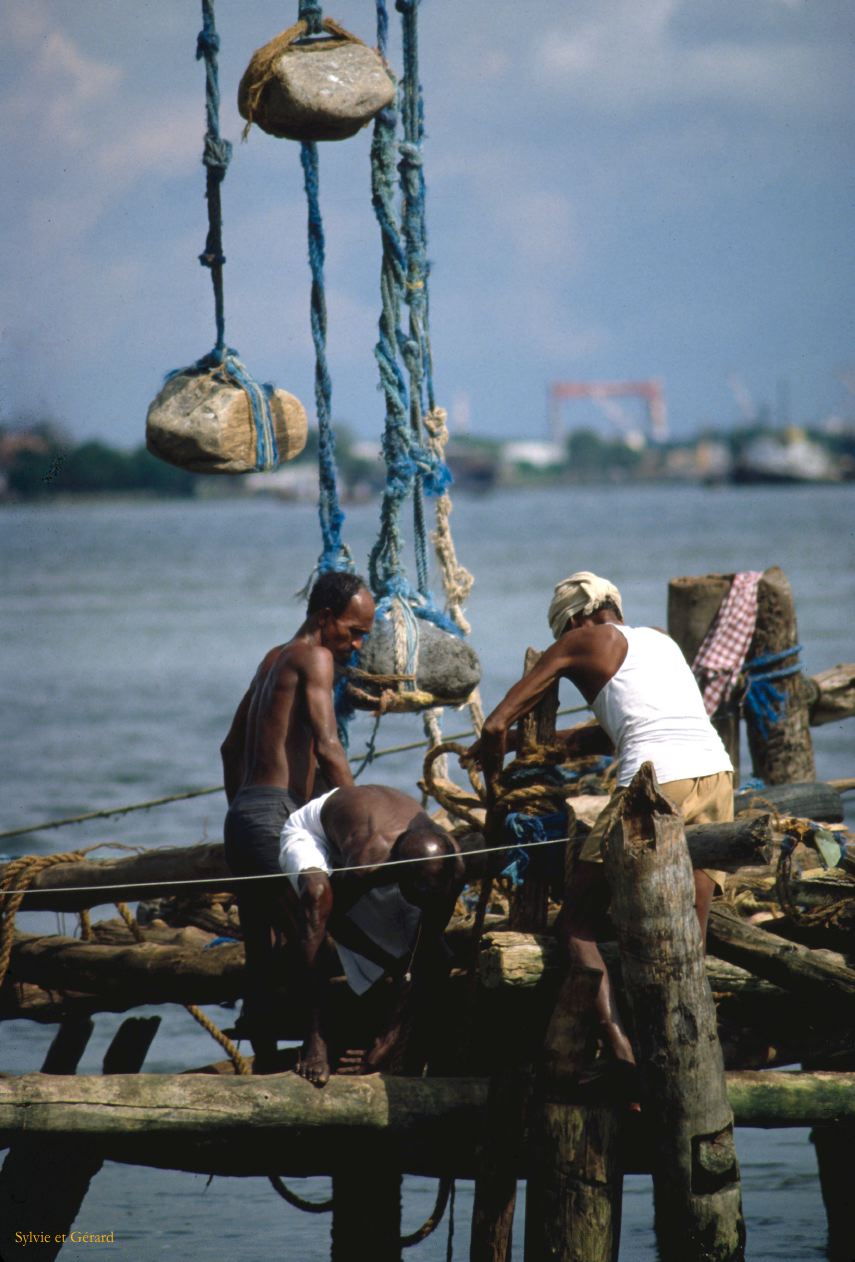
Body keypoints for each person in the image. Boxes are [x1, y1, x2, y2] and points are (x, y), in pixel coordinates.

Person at [469, 570, 733, 1085]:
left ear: (575, 619)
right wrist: (544, 744)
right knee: (689, 928)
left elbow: (495, 725)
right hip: (717, 776)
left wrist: (493, 768)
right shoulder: (660, 641)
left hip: (653, 786)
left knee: (576, 923)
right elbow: (626, 726)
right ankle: (688, 1052)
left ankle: (616, 1042)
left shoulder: (578, 639)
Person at [220, 571, 376, 1071]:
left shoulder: (273, 658)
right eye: (352, 631)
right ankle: (318, 1044)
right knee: (315, 927)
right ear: (324, 619)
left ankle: (265, 1060)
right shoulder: (315, 656)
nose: (356, 644)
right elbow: (329, 747)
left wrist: (245, 811)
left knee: (262, 950)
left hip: (245, 815)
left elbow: (229, 748)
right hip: (271, 815)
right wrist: (361, 817)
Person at [278, 783, 469, 1087]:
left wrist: (388, 1037)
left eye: (433, 891)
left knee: (437, 957)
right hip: (315, 830)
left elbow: (428, 941)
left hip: (374, 824)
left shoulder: (454, 866)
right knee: (316, 897)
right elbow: (335, 923)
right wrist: (391, 963)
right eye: (418, 891)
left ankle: (400, 1048)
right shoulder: (368, 863)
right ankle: (315, 1039)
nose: (426, 899)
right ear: (398, 874)